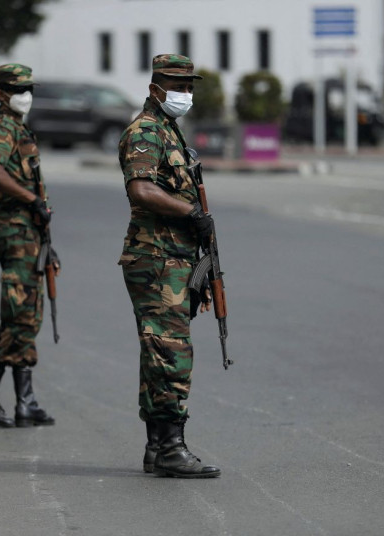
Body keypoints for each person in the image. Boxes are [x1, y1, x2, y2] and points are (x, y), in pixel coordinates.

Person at [118, 54, 221, 478]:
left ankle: (158, 448)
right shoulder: (145, 131)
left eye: (190, 85)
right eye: (179, 85)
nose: (186, 93)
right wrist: (189, 213)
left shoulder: (169, 130)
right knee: (172, 352)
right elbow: (141, 189)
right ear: (156, 88)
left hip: (173, 258)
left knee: (158, 351)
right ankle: (172, 448)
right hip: (155, 258)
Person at [0, 63, 57, 428]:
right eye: (19, 90)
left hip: (28, 234)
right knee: (19, 315)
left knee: (29, 313)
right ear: (2, 94)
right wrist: (30, 200)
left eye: (30, 89)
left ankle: (25, 401)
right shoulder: (4, 128)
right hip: (13, 230)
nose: (27, 96)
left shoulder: (19, 127)